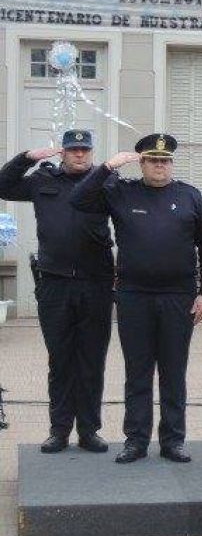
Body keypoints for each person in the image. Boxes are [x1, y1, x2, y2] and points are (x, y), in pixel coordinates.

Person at [71, 134, 202, 464]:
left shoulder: (189, 196)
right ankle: (136, 440)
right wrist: (107, 167)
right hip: (133, 297)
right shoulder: (122, 191)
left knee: (173, 372)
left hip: (178, 298)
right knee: (137, 371)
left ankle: (173, 441)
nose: (159, 165)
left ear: (172, 164)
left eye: (165, 160)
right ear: (142, 162)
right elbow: (79, 200)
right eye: (153, 160)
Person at [0, 130, 113, 454]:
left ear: (91, 152)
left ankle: (89, 431)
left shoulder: (105, 182)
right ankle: (59, 430)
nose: (80, 155)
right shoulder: (41, 181)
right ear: (63, 153)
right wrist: (27, 158)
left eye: (85, 150)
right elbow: (3, 185)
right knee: (61, 360)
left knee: (92, 361)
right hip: (54, 284)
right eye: (73, 150)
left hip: (96, 284)